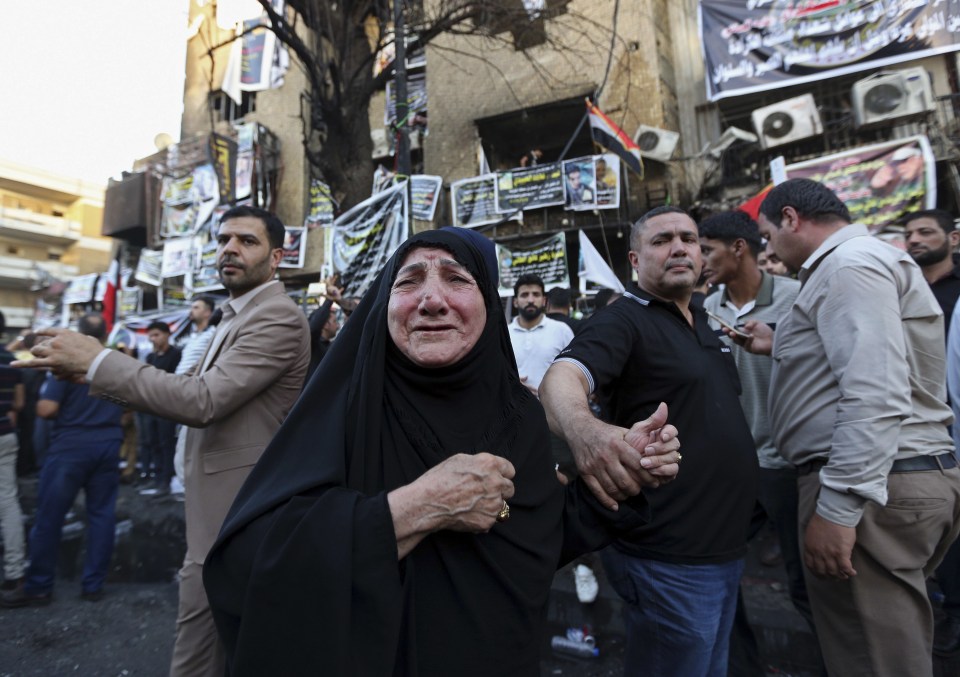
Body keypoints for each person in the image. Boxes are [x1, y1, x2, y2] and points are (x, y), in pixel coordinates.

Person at [202, 228, 682, 676]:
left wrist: (622, 474)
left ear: (490, 305)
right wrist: (413, 509)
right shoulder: (343, 412)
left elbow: (533, 536)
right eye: (409, 282)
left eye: (457, 279)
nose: (432, 300)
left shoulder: (520, 417)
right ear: (384, 304)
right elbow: (245, 562)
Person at [16, 206, 310, 676]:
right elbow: (175, 393)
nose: (229, 249)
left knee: (204, 654)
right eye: (223, 239)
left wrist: (97, 362)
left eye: (246, 241)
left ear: (276, 258)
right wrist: (86, 370)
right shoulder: (234, 315)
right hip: (212, 514)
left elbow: (201, 400)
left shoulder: (277, 316)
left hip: (237, 517)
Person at [741, 178, 960, 676]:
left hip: (870, 487)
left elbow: (875, 389)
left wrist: (838, 508)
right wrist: (779, 344)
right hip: (889, 477)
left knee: (872, 657)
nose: (768, 246)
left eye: (768, 234)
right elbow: (859, 364)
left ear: (792, 218)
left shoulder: (847, 265)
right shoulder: (850, 266)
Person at [540, 206, 758, 677]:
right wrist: (587, 433)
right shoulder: (625, 319)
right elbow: (561, 378)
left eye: (689, 238)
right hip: (667, 558)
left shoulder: (705, 321)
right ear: (635, 261)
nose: (679, 247)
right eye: (662, 240)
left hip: (724, 550)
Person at [698, 211, 814, 671]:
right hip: (734, 467)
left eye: (707, 249)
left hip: (789, 463)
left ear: (739, 248)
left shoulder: (797, 298)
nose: (699, 259)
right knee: (711, 566)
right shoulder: (705, 309)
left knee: (807, 582)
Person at [2, 313, 124, 608]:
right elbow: (130, 405)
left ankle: (39, 586)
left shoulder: (69, 360)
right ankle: (93, 585)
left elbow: (45, 408)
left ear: (80, 333)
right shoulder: (117, 362)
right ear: (106, 333)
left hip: (71, 446)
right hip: (108, 443)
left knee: (49, 517)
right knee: (102, 516)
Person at [508, 273, 574, 397]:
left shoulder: (562, 331)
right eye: (524, 295)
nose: (530, 300)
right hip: (514, 411)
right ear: (515, 302)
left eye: (536, 294)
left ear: (544, 301)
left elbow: (575, 372)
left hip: (554, 412)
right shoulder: (504, 334)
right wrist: (509, 384)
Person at [0, 311, 26, 599]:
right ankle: (14, 572)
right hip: (5, 434)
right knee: (8, 503)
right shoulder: (11, 361)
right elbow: (18, 403)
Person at [139, 321, 181, 497]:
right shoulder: (151, 358)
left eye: (156, 335)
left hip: (167, 407)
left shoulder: (176, 354)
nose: (153, 339)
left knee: (166, 443)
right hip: (151, 407)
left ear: (166, 334)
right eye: (151, 336)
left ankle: (166, 480)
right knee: (152, 442)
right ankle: (156, 479)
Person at [904, 209, 960, 334]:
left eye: (925, 233)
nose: (913, 240)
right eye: (908, 235)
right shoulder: (901, 285)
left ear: (954, 238)